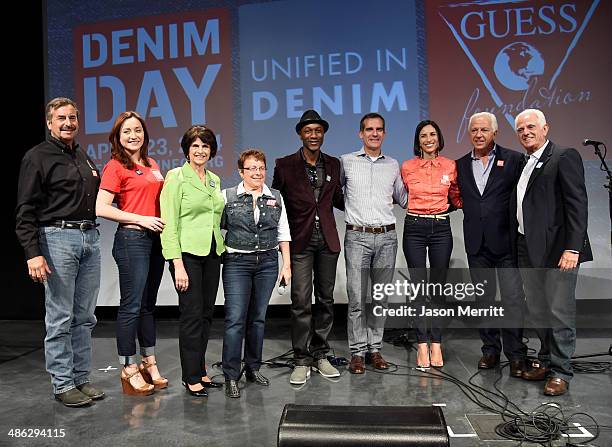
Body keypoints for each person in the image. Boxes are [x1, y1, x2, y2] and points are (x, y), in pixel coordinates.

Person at [15, 97, 105, 407]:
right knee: (60, 317)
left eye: (73, 117)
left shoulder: (83, 155)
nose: (68, 123)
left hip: (89, 239)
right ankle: (63, 383)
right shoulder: (37, 157)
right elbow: (25, 209)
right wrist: (32, 253)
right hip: (57, 239)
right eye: (62, 118)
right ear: (50, 122)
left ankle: (81, 378)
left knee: (84, 317)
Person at [511, 109, 591, 396]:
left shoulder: (563, 156)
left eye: (531, 127)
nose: (525, 132)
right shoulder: (525, 162)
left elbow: (577, 205)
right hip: (528, 248)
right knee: (539, 309)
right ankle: (545, 361)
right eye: (520, 129)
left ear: (546, 128)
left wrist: (573, 248)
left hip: (560, 251)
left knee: (559, 312)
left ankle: (561, 371)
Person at [96, 111, 167, 396]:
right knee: (131, 306)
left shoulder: (152, 164)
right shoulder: (115, 166)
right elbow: (101, 207)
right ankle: (127, 367)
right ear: (117, 137)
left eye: (137, 130)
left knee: (148, 306)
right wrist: (139, 219)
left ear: (144, 135)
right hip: (132, 239)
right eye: (126, 131)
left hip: (155, 240)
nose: (133, 135)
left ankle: (149, 361)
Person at [272, 110, 344, 385]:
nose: (314, 135)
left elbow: (338, 198)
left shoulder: (334, 165)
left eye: (318, 131)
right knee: (301, 301)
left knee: (325, 300)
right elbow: (276, 201)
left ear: (323, 134)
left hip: (327, 240)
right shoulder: (285, 165)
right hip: (299, 240)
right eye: (308, 131)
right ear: (300, 134)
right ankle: (301, 358)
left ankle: (321, 354)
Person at [456, 112, 527, 377]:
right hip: (477, 244)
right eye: (474, 130)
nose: (478, 134)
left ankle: (516, 354)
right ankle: (490, 350)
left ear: (494, 133)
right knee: (483, 300)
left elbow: (525, 197)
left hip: (506, 242)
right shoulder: (461, 164)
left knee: (512, 300)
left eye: (484, 130)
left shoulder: (513, 159)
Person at [160, 125, 225, 397]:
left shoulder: (214, 180)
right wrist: (177, 263)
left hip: (212, 253)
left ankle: (200, 370)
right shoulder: (176, 177)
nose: (200, 151)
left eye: (205, 146)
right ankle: (190, 376)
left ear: (212, 151)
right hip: (186, 255)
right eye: (195, 146)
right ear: (187, 149)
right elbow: (169, 223)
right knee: (191, 316)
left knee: (206, 315)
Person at [341, 113, 407, 374]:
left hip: (387, 237)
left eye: (379, 129)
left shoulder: (393, 164)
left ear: (384, 134)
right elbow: (335, 194)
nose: (374, 133)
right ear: (361, 134)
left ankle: (374, 350)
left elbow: (403, 198)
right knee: (357, 298)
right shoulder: (346, 162)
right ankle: (357, 352)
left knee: (380, 298)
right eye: (369, 129)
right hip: (357, 237)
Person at [222, 149, 291, 398]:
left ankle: (252, 368)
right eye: (251, 168)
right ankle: (231, 374)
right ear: (241, 172)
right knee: (235, 319)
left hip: (267, 262)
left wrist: (287, 264)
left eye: (261, 168)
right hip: (237, 262)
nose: (257, 172)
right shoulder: (227, 196)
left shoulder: (275, 197)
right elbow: (217, 228)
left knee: (258, 319)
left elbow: (283, 232)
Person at [401, 120, 461, 368]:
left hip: (440, 228)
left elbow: (457, 195)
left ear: (439, 138)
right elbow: (400, 194)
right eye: (423, 135)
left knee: (437, 289)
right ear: (418, 140)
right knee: (418, 289)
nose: (428, 139)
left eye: (432, 134)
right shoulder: (407, 167)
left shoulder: (450, 165)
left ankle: (436, 343)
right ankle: (421, 344)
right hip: (414, 227)